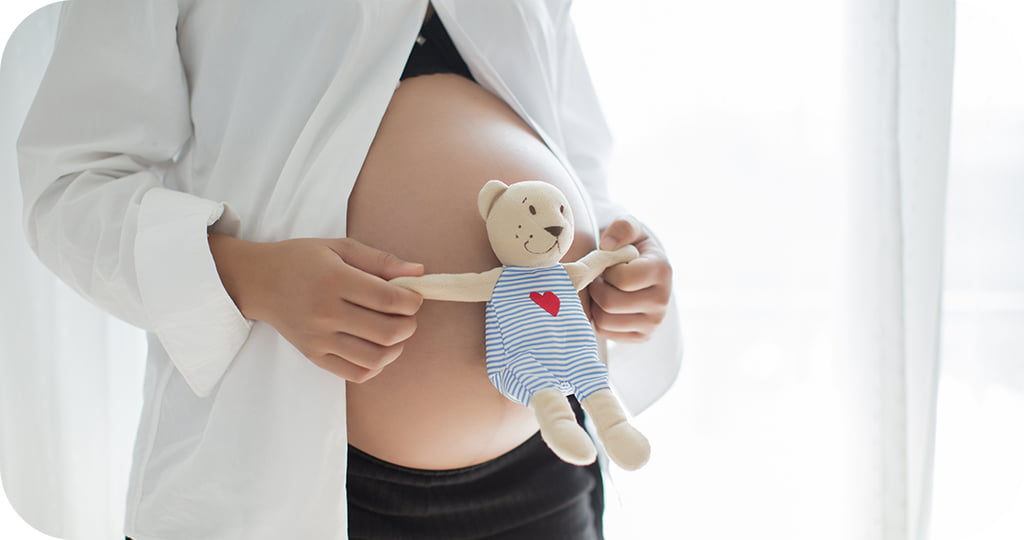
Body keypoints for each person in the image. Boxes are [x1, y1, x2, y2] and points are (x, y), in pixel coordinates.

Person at [17, 1, 680, 538]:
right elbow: (72, 187)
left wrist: (625, 264)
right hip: (300, 483)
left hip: (546, 482)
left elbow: (578, 166)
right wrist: (247, 274)